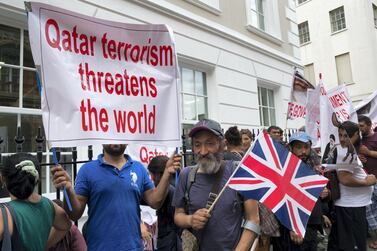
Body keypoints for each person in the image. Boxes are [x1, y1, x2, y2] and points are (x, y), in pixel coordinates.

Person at [52, 144, 181, 251]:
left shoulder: (138, 168)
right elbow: (74, 214)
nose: (115, 139)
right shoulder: (87, 170)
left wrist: (167, 173)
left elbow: (155, 201)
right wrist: (68, 190)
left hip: (134, 248)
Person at [173, 119, 259, 251]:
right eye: (197, 144)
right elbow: (178, 215)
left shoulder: (239, 172)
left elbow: (253, 219)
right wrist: (190, 220)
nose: (203, 151)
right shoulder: (186, 175)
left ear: (222, 144)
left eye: (209, 144)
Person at [0, 153, 71, 250]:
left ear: (3, 179)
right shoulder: (49, 205)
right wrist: (44, 245)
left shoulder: (3, 214)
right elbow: (65, 225)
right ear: (36, 179)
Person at [272, 132, 329, 251]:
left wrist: (324, 193)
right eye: (299, 147)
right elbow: (281, 201)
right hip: (294, 229)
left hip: (311, 225)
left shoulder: (312, 167)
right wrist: (292, 227)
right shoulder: (284, 169)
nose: (303, 151)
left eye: (306, 147)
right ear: (290, 148)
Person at [327, 121, 376, 251]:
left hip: (352, 206)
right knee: (352, 245)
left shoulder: (348, 150)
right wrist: (366, 182)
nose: (342, 139)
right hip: (350, 207)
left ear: (356, 134)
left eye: (346, 136)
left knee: (349, 243)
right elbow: (345, 178)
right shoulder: (345, 152)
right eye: (340, 135)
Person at [147, 156, 182, 251]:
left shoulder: (168, 191)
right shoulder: (176, 188)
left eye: (150, 174)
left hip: (169, 243)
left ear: (155, 175)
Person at [358, 115, 377, 249]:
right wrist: (359, 157)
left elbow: (369, 153)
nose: (360, 129)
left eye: (362, 126)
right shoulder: (358, 139)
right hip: (366, 180)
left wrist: (369, 153)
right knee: (369, 210)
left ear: (370, 125)